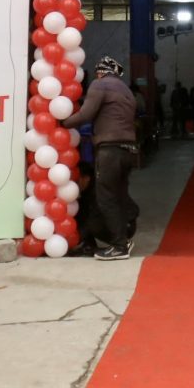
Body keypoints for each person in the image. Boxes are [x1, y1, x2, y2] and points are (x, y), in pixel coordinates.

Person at [62, 56, 140, 260]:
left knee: (105, 197)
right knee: (119, 194)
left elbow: (85, 115)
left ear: (100, 71)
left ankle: (119, 246)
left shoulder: (100, 85)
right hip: (129, 149)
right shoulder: (125, 90)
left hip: (110, 149)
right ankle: (124, 237)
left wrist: (62, 123)